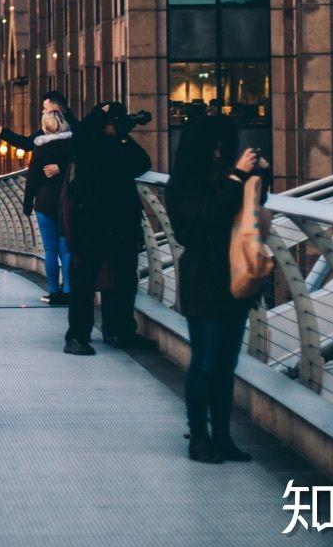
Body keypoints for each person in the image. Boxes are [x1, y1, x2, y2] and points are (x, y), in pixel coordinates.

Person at [166, 111, 269, 462]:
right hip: (203, 278)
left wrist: (259, 177)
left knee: (226, 363)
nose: (220, 152)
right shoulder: (182, 183)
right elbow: (210, 215)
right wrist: (238, 176)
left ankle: (222, 436)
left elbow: (249, 215)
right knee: (206, 361)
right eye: (216, 146)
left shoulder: (228, 177)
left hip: (236, 279)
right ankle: (199, 437)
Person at [63, 102, 151, 355]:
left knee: (124, 279)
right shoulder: (87, 142)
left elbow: (143, 163)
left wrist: (122, 135)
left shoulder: (121, 145)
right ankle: (77, 336)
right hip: (90, 222)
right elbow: (80, 136)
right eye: (113, 122)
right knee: (84, 281)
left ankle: (121, 331)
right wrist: (99, 115)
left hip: (121, 222)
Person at [0, 101, 76, 304]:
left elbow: (33, 178)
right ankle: (69, 291)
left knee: (50, 250)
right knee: (66, 249)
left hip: (44, 203)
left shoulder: (41, 147)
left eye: (44, 109)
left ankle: (53, 291)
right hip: (67, 202)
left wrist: (27, 204)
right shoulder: (73, 146)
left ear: (45, 126)